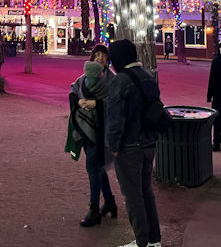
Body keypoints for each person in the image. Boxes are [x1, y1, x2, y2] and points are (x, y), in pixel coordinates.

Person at [106, 39, 161, 247]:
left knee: (133, 196)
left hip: (129, 146)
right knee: (146, 190)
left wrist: (113, 147)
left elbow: (115, 118)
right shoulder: (148, 76)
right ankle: (154, 240)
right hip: (148, 142)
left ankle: (141, 241)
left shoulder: (120, 81)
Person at [69, 44, 116, 228]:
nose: (99, 58)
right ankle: (110, 202)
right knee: (98, 167)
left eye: (103, 55)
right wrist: (77, 101)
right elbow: (73, 89)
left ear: (107, 59)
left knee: (92, 168)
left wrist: (97, 104)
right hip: (85, 129)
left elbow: (115, 102)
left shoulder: (112, 79)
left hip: (101, 130)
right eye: (96, 55)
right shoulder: (84, 78)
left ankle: (94, 209)